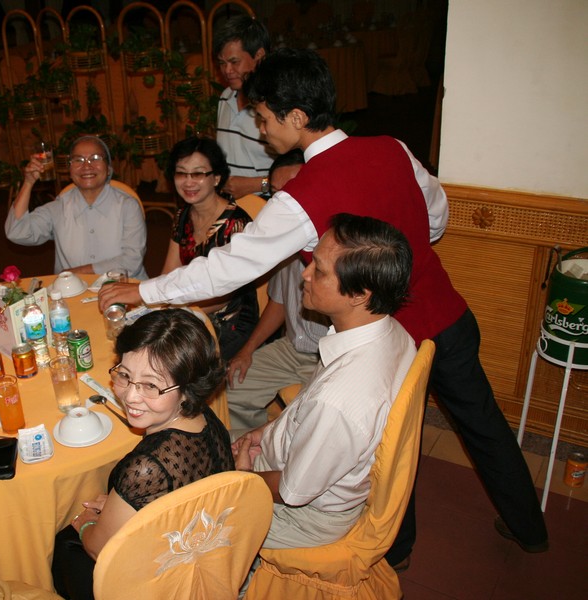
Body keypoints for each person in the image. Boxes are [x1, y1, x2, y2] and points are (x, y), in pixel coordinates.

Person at [99, 48, 548, 566]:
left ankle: (396, 550)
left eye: (264, 118)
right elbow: (436, 213)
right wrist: (403, 254)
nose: (261, 131)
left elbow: (232, 266)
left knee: (392, 446)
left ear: (296, 117)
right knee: (480, 426)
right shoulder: (391, 148)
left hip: (392, 333)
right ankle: (529, 527)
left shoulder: (304, 194)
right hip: (447, 315)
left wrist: (147, 291)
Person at [233, 214, 416, 548]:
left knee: (180, 515)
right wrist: (265, 433)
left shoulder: (339, 398)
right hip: (297, 468)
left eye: (318, 270)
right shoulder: (392, 333)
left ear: (359, 294)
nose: (305, 274)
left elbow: (292, 492)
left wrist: (242, 480)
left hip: (301, 518)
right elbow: (309, 417)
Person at [51, 309, 234, 599]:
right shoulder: (207, 418)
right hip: (193, 541)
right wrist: (125, 508)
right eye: (124, 375)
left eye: (151, 385)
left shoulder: (147, 467)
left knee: (63, 543)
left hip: (159, 578)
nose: (130, 396)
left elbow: (99, 549)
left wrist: (84, 521)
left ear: (187, 388)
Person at [226, 149, 331, 430]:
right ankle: (245, 451)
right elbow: (280, 302)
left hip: (330, 357)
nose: (286, 203)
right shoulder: (282, 242)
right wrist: (247, 349)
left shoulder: (336, 248)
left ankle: (275, 447)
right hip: (291, 348)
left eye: (295, 192)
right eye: (277, 194)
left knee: (308, 420)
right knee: (230, 387)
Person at [162, 137, 257, 361]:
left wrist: (175, 313)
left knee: (176, 360)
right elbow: (169, 272)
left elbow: (225, 294)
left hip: (229, 320)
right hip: (190, 308)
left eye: (198, 174)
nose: (188, 182)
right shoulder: (182, 215)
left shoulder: (236, 223)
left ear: (216, 178)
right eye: (181, 173)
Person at [5, 135, 148, 279]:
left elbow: (132, 261)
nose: (87, 166)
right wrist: (28, 182)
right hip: (73, 290)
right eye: (78, 160)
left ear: (109, 169)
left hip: (123, 286)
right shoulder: (59, 207)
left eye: (95, 158)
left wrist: (80, 271)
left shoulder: (128, 206)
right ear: (70, 170)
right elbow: (17, 232)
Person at [213, 15, 274, 199]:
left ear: (259, 56)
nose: (227, 71)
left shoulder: (276, 105)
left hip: (266, 206)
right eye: (222, 63)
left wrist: (257, 185)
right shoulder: (225, 97)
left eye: (234, 62)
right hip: (230, 206)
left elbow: (298, 173)